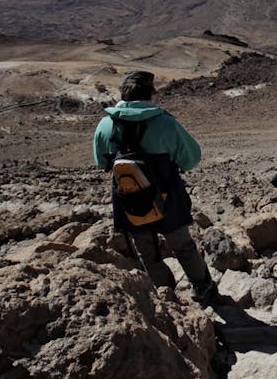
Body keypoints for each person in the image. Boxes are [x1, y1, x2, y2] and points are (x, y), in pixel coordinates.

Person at [93, 70, 220, 305]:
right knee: (183, 246)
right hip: (167, 197)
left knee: (145, 251)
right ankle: (204, 289)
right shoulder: (166, 123)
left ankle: (166, 296)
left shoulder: (106, 125)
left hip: (129, 198)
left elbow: (101, 162)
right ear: (151, 94)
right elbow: (191, 158)